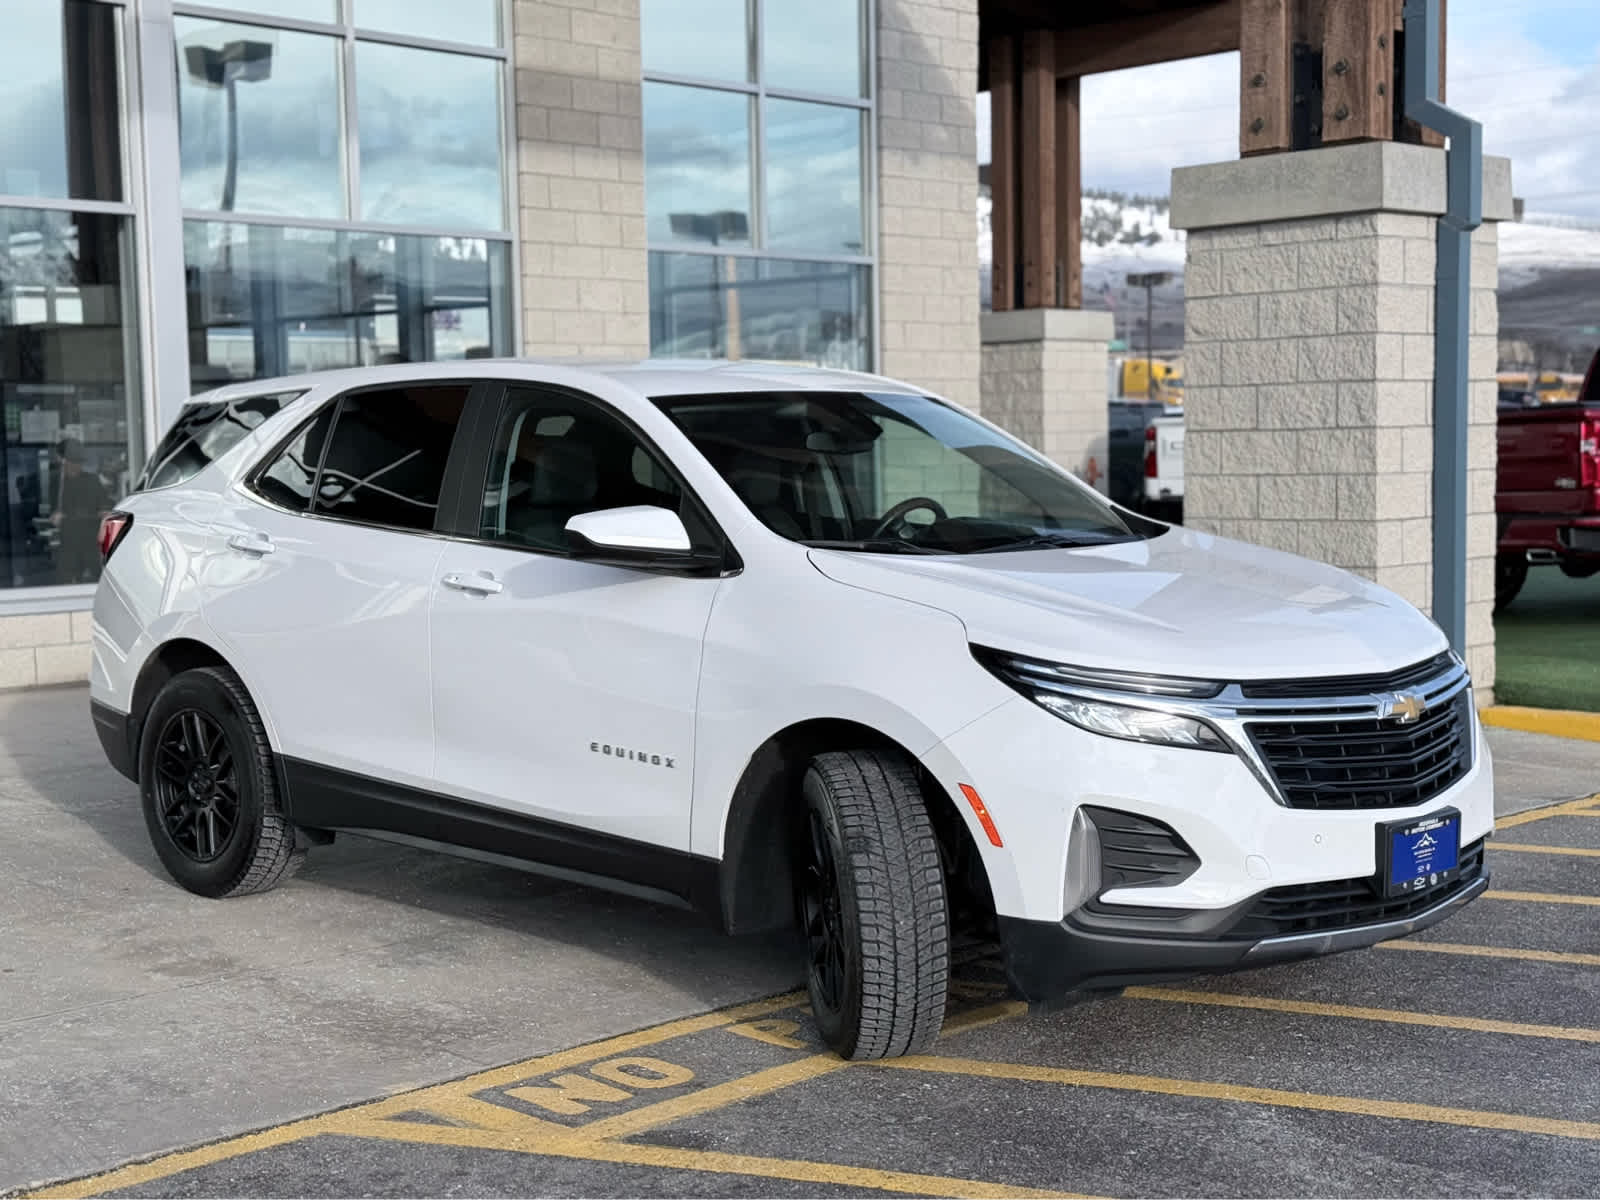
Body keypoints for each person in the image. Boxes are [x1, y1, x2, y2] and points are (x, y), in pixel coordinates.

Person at [52, 439, 110, 584]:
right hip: (67, 544)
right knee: (65, 582)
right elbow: (51, 512)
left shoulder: (92, 481)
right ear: (62, 461)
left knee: (97, 580)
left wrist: (103, 512)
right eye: (71, 462)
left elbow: (105, 506)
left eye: (78, 462)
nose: (75, 466)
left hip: (90, 543)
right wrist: (54, 516)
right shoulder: (57, 483)